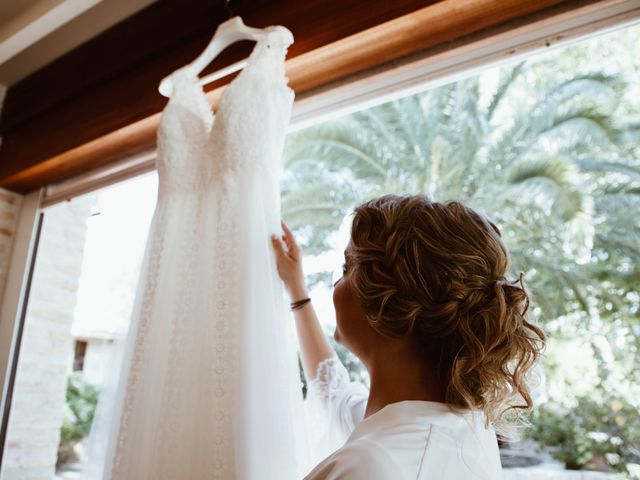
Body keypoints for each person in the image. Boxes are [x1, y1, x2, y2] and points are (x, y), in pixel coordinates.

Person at [270, 193, 545, 480]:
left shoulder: (365, 467)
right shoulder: (465, 426)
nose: (337, 284)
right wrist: (296, 290)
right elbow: (334, 393)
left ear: (388, 304)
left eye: (347, 268)